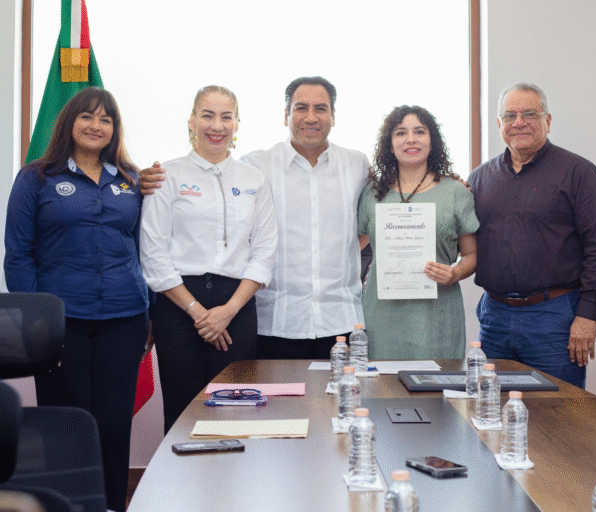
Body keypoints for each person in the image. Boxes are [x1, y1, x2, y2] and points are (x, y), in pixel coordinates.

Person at [140, 76, 369, 360]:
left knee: (337, 402)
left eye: (321, 108)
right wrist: (143, 180)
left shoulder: (358, 165)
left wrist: (340, 249)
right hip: (276, 322)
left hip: (342, 319)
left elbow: (372, 220)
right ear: (286, 116)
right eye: (301, 108)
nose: (311, 117)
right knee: (265, 404)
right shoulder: (254, 166)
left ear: (333, 116)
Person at [4, 87, 148, 512]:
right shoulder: (37, 177)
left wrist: (152, 314)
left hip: (124, 317)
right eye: (87, 117)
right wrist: (35, 324)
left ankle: (110, 507)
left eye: (105, 120)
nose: (95, 126)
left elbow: (146, 249)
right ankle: (66, 505)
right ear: (69, 122)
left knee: (114, 421)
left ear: (114, 129)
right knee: (66, 423)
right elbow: (18, 252)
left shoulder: (132, 180)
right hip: (59, 323)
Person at [139, 85, 277, 433]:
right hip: (179, 305)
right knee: (183, 412)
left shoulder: (254, 179)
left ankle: (231, 487)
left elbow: (264, 251)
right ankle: (179, 486)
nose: (217, 125)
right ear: (192, 121)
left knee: (237, 410)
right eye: (207, 115)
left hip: (237, 306)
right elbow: (153, 253)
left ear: (236, 124)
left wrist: (227, 312)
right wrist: (199, 314)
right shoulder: (166, 175)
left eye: (226, 117)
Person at [467, 83, 596, 388]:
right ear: (499, 124)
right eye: (509, 116)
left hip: (554, 318)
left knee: (557, 418)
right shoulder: (480, 178)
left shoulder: (578, 173)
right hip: (494, 318)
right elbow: (461, 239)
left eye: (529, 114)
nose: (518, 122)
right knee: (491, 413)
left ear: (548, 121)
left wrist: (587, 314)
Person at [357, 106, 479, 359]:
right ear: (390, 145)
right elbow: (353, 247)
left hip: (438, 314)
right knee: (383, 393)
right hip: (382, 313)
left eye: (419, 132)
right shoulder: (371, 193)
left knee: (436, 391)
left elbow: (472, 255)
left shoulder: (455, 191)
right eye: (401, 133)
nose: (411, 139)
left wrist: (455, 272)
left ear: (432, 141)